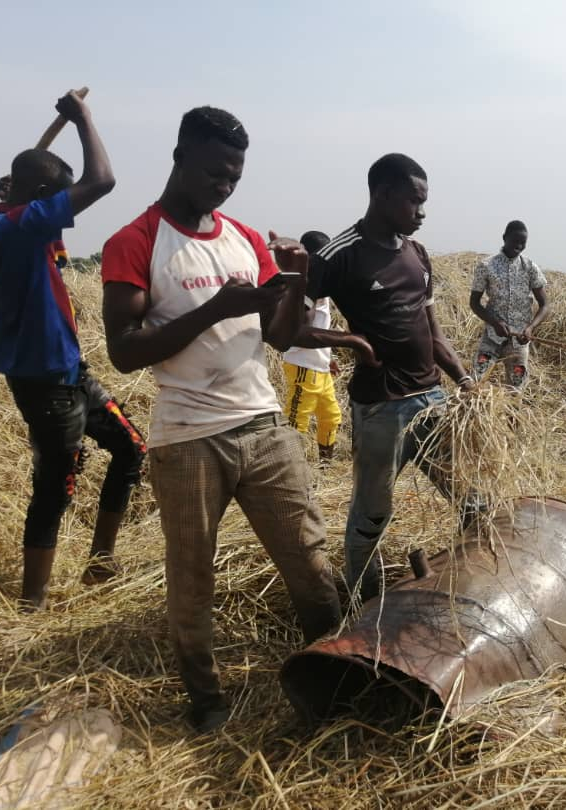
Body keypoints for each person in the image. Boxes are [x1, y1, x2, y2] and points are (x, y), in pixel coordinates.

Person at [100, 106, 341, 733]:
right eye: (213, 172)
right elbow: (124, 351)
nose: (223, 186)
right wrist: (213, 310)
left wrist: (297, 281)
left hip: (262, 426)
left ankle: (334, 676)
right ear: (179, 157)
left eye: (234, 176)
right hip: (186, 439)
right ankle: (205, 701)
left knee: (311, 562)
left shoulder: (244, 238)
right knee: (192, 576)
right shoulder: (135, 241)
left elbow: (280, 336)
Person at [0, 90, 145, 610]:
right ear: (45, 193)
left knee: (131, 448)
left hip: (70, 371)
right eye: (57, 198)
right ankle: (33, 602)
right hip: (44, 381)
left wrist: (22, 194)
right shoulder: (13, 228)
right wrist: (83, 118)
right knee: (56, 484)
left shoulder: (18, 224)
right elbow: (103, 181)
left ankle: (101, 561)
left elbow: (58, 244)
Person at [305, 153, 477, 602]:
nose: (421, 213)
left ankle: (477, 581)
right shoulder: (339, 254)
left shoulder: (417, 254)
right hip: (382, 408)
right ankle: (362, 601)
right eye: (414, 202)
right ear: (382, 195)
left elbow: (433, 333)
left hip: (433, 402)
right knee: (372, 513)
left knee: (470, 495)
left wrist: (465, 381)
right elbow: (282, 326)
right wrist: (350, 342)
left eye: (424, 203)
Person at [279, 231, 345, 464]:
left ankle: (325, 467)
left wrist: (328, 358)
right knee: (297, 420)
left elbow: (320, 328)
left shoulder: (322, 287)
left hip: (320, 367)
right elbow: (298, 331)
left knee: (331, 417)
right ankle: (290, 469)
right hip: (302, 367)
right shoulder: (299, 287)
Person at [468, 220, 549, 388]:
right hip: (492, 337)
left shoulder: (530, 267)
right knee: (474, 383)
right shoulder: (486, 266)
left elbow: (544, 305)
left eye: (523, 243)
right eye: (515, 241)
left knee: (515, 391)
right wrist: (495, 323)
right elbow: (474, 303)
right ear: (504, 238)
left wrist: (530, 328)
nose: (518, 246)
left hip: (519, 342)